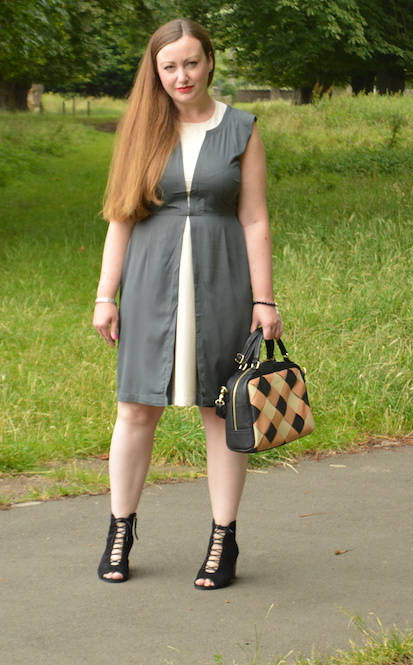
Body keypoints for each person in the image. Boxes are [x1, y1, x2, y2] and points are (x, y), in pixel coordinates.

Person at [92, 18, 282, 590]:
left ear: (210, 63)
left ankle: (224, 538)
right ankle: (120, 530)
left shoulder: (242, 128)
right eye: (169, 65)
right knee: (136, 409)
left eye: (191, 62)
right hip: (151, 281)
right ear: (156, 70)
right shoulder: (142, 130)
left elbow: (254, 218)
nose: (182, 75)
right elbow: (121, 217)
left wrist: (264, 297)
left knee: (222, 411)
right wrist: (106, 296)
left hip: (223, 279)